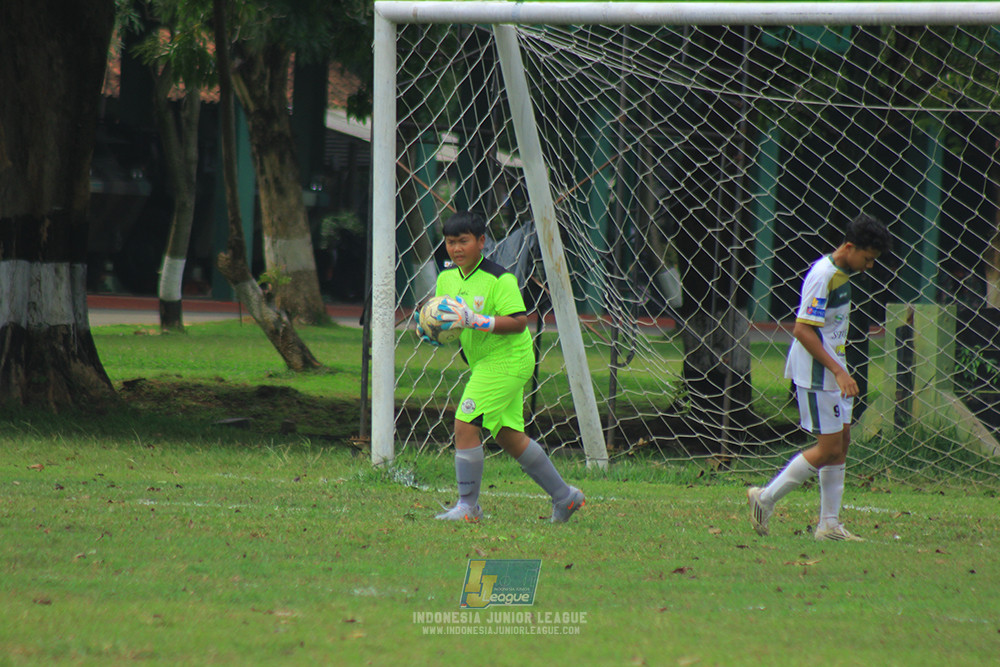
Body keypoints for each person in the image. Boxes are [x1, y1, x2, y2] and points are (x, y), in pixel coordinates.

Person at [417, 210, 585, 523]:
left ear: (481, 242)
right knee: (508, 436)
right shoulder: (446, 278)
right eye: (450, 242)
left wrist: (475, 320)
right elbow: (447, 320)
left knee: (466, 421)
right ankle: (566, 497)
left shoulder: (500, 278)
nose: (456, 248)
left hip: (508, 360)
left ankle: (469, 507)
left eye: (463, 241)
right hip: (483, 362)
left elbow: (519, 322)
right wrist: (432, 331)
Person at [748, 213, 891, 541]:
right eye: (868, 259)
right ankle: (764, 498)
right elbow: (802, 329)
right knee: (827, 449)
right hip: (817, 373)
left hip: (832, 370)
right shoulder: (823, 274)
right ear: (850, 247)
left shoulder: (842, 274)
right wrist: (839, 370)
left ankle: (829, 525)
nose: (869, 266)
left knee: (841, 444)